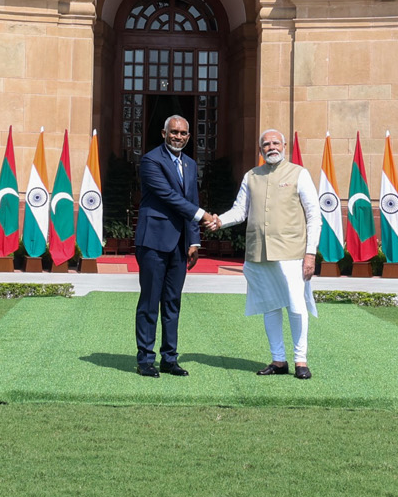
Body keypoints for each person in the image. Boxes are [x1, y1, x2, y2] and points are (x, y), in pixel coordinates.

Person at [202, 128, 322, 380]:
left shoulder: (299, 174)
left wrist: (310, 254)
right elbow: (239, 211)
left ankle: (301, 360)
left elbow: (314, 215)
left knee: (296, 306)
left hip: (291, 252)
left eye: (275, 143)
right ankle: (278, 360)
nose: (271, 147)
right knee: (270, 306)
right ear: (260, 150)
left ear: (285, 145)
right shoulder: (251, 176)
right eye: (266, 144)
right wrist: (219, 221)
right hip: (259, 252)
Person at [133, 115, 203, 377]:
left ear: (188, 136)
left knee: (173, 302)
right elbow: (169, 196)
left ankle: (169, 358)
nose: (178, 137)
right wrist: (203, 215)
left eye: (183, 133)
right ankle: (145, 359)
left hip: (180, 244)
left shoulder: (190, 164)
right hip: (153, 241)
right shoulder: (151, 160)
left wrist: (194, 240)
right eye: (174, 132)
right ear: (163, 133)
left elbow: (191, 199)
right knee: (150, 302)